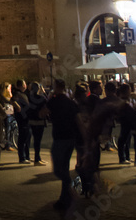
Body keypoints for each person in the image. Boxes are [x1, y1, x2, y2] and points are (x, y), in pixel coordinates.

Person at [47, 78, 81, 211]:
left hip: (60, 138)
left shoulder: (53, 101)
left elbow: (42, 112)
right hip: (71, 139)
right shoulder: (71, 103)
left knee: (58, 170)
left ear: (56, 87)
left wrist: (50, 98)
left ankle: (70, 189)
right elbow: (78, 120)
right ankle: (64, 199)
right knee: (65, 167)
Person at [26, 82, 48, 165]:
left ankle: (38, 158)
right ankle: (37, 159)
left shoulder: (29, 97)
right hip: (39, 120)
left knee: (35, 140)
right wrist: (44, 92)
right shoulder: (41, 98)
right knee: (38, 140)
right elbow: (47, 103)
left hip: (31, 120)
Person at [12, 79, 31, 163]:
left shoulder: (24, 94)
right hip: (21, 118)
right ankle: (22, 157)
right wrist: (18, 107)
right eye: (24, 84)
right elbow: (12, 100)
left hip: (26, 118)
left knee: (27, 136)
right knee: (22, 138)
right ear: (21, 85)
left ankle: (27, 156)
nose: (25, 85)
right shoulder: (17, 93)